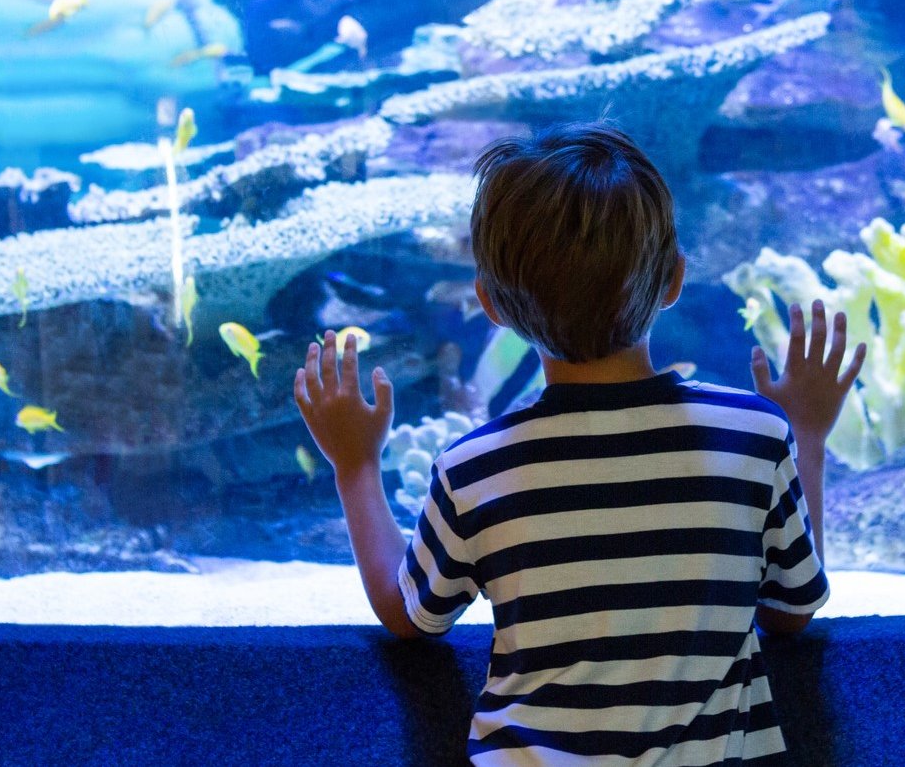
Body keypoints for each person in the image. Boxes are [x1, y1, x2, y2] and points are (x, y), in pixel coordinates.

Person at [293, 122, 864, 766]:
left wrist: (355, 465)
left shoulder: (474, 470)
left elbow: (409, 615)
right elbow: (792, 609)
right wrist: (808, 434)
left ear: (491, 305)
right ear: (675, 279)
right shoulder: (755, 438)